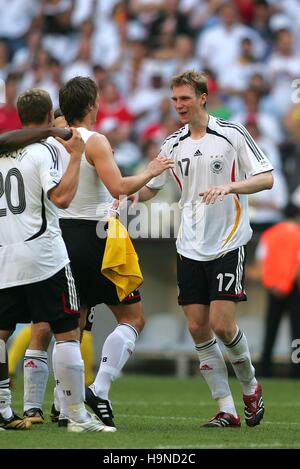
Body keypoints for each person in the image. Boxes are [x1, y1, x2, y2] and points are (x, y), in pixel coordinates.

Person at [0, 76, 173, 431]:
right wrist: (152, 171)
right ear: (93, 104)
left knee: (54, 325)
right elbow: (118, 187)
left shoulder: (49, 144)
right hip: (93, 236)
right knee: (132, 317)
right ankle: (91, 395)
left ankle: (40, 406)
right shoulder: (91, 141)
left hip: (53, 236)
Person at [139, 70, 274, 428]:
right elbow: (149, 188)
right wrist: (127, 188)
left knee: (222, 325)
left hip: (228, 242)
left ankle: (250, 386)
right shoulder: (173, 142)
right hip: (189, 245)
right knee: (198, 328)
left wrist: (231, 188)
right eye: (174, 99)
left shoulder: (231, 133)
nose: (178, 105)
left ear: (202, 97)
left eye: (184, 98)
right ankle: (226, 408)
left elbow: (267, 178)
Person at [0, 88, 113, 433]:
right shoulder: (46, 148)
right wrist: (76, 157)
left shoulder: (3, 152)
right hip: (45, 255)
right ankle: (76, 414)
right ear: (51, 116)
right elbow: (62, 198)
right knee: (67, 332)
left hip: (6, 257)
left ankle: (5, 408)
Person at [247, 210, 300, 378]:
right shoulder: (298, 234)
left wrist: (274, 284)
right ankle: (296, 371)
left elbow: (260, 263)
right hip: (294, 289)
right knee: (296, 334)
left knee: (270, 331)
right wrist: (288, 282)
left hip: (273, 289)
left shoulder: (269, 235)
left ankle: (265, 370)